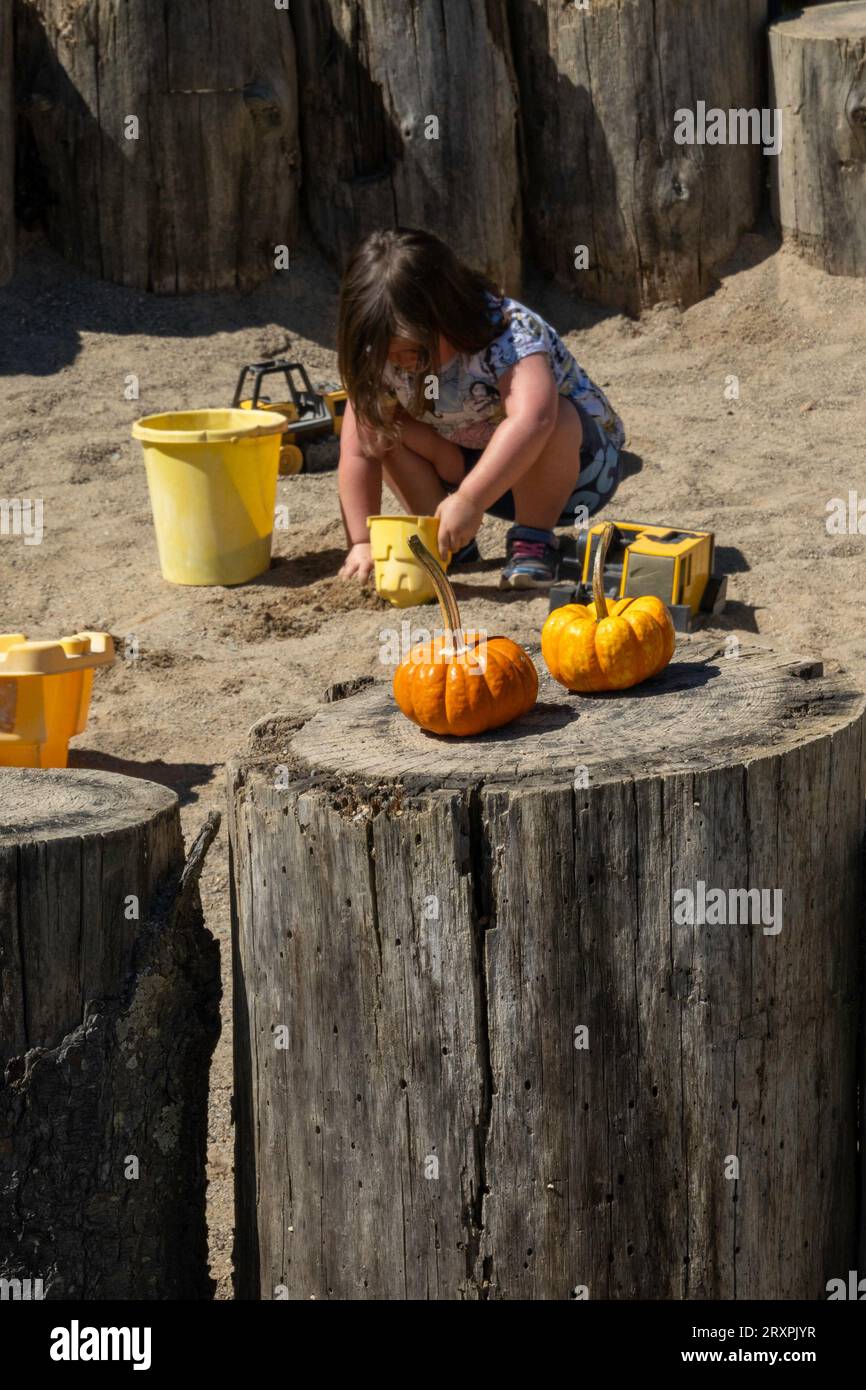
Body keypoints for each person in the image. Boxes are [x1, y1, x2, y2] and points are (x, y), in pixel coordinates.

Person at [336, 227, 624, 589]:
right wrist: (361, 543)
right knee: (383, 426)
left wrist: (471, 499)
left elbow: (532, 419)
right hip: (470, 466)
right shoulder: (377, 356)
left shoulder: (508, 333)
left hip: (578, 473)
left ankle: (533, 540)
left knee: (552, 414)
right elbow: (360, 451)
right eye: (388, 355)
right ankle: (449, 542)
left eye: (412, 350)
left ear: (448, 314)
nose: (402, 363)